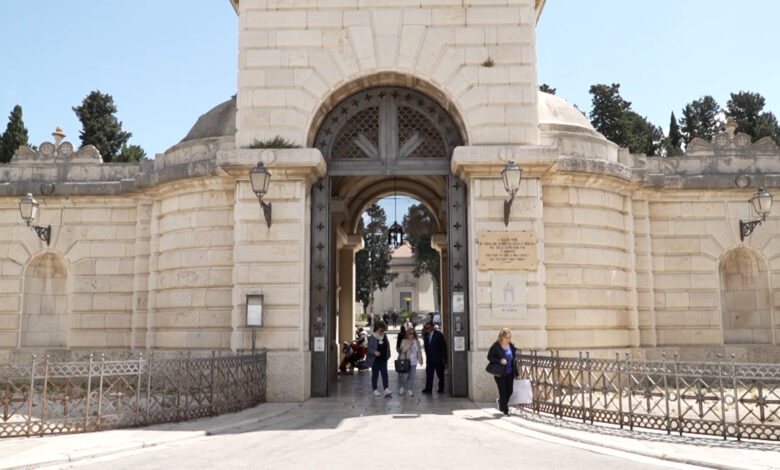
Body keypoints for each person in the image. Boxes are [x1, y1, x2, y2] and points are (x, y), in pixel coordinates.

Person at [487, 328, 517, 416]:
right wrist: (500, 360)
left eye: (509, 337)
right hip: (500, 373)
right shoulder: (496, 346)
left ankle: (501, 402)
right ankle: (505, 410)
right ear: (501, 337)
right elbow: (489, 357)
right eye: (506, 337)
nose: (508, 339)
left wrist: (516, 370)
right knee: (503, 392)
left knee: (510, 391)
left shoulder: (511, 346)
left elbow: (514, 358)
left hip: (510, 372)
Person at [365, 321, 392, 397]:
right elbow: (369, 349)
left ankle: (386, 389)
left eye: (383, 330)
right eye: (381, 330)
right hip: (375, 361)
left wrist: (388, 354)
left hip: (383, 360)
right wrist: (374, 352)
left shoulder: (385, 336)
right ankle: (375, 389)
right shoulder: (372, 338)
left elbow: (387, 345)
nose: (382, 332)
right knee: (375, 375)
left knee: (385, 374)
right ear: (376, 329)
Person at [422, 321, 447, 394]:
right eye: (426, 328)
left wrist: (444, 357)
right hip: (429, 359)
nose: (427, 329)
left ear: (432, 327)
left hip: (438, 358)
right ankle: (428, 388)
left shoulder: (438, 335)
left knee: (440, 374)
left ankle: (441, 388)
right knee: (429, 374)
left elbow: (443, 346)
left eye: (428, 328)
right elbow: (426, 346)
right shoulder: (426, 334)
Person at [397, 328, 423, 396]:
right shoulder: (404, 341)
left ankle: (409, 389)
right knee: (404, 376)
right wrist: (409, 344)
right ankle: (402, 387)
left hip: (414, 362)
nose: (412, 335)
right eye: (410, 334)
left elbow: (419, 351)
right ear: (407, 334)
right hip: (406, 361)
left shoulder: (417, 341)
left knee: (411, 376)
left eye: (413, 333)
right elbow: (403, 350)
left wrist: (420, 359)